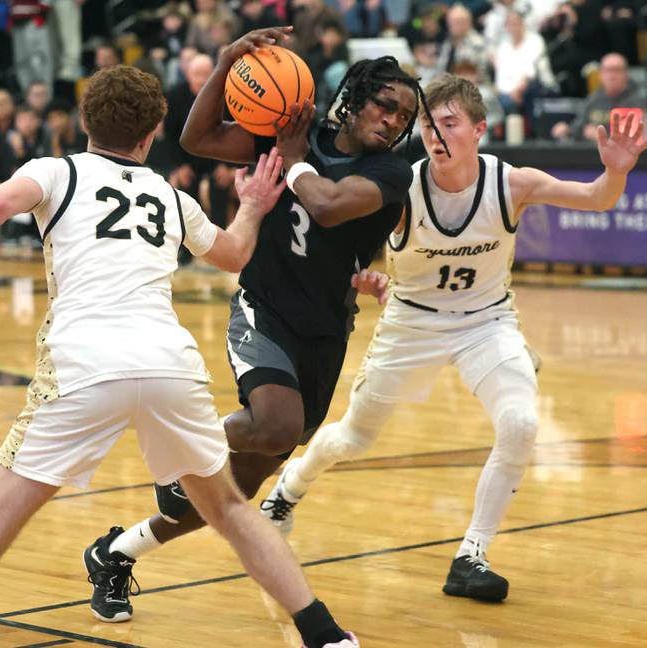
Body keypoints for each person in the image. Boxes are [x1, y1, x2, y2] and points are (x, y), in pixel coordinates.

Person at [0, 64, 358, 648]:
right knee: (230, 510)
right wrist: (252, 206)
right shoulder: (169, 196)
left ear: (83, 122)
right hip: (167, 366)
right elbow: (231, 255)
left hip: (85, 366)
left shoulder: (57, 172)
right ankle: (327, 637)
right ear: (152, 133)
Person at [84, 26, 429, 627]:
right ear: (355, 96)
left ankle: (114, 552)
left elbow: (326, 204)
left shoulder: (392, 171)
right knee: (276, 424)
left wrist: (293, 164)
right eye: (385, 104)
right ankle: (183, 451)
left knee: (228, 496)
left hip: (325, 330)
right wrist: (225, 63)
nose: (395, 120)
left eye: (404, 114)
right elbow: (197, 137)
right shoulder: (293, 129)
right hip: (264, 307)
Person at [260, 72, 647, 602]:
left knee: (520, 421)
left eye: (448, 124)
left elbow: (597, 198)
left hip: (486, 321)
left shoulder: (510, 183)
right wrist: (365, 277)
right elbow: (344, 253)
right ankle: (289, 488)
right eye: (426, 125)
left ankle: (472, 554)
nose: (435, 136)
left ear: (479, 130)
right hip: (411, 322)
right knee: (353, 437)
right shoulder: (400, 186)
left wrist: (616, 173)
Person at [551, 52, 645, 142]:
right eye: (607, 70)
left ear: (626, 74)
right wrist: (567, 129)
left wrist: (602, 136)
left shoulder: (635, 101)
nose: (611, 76)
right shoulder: (594, 98)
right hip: (588, 153)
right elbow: (580, 124)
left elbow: (633, 139)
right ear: (601, 74)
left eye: (617, 70)